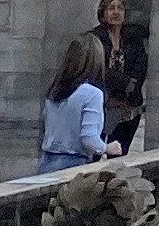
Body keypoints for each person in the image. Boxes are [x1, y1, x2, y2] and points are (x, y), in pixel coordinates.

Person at [40, 34, 110, 174]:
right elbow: (89, 140)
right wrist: (107, 148)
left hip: (46, 162)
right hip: (74, 164)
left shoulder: (55, 90)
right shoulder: (93, 94)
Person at [93, 0, 149, 155]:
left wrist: (133, 85)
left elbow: (141, 63)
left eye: (120, 8)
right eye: (111, 8)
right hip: (103, 104)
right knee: (95, 151)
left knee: (120, 152)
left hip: (128, 106)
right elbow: (98, 67)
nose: (116, 12)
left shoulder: (133, 38)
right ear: (103, 13)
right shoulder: (95, 38)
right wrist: (124, 82)